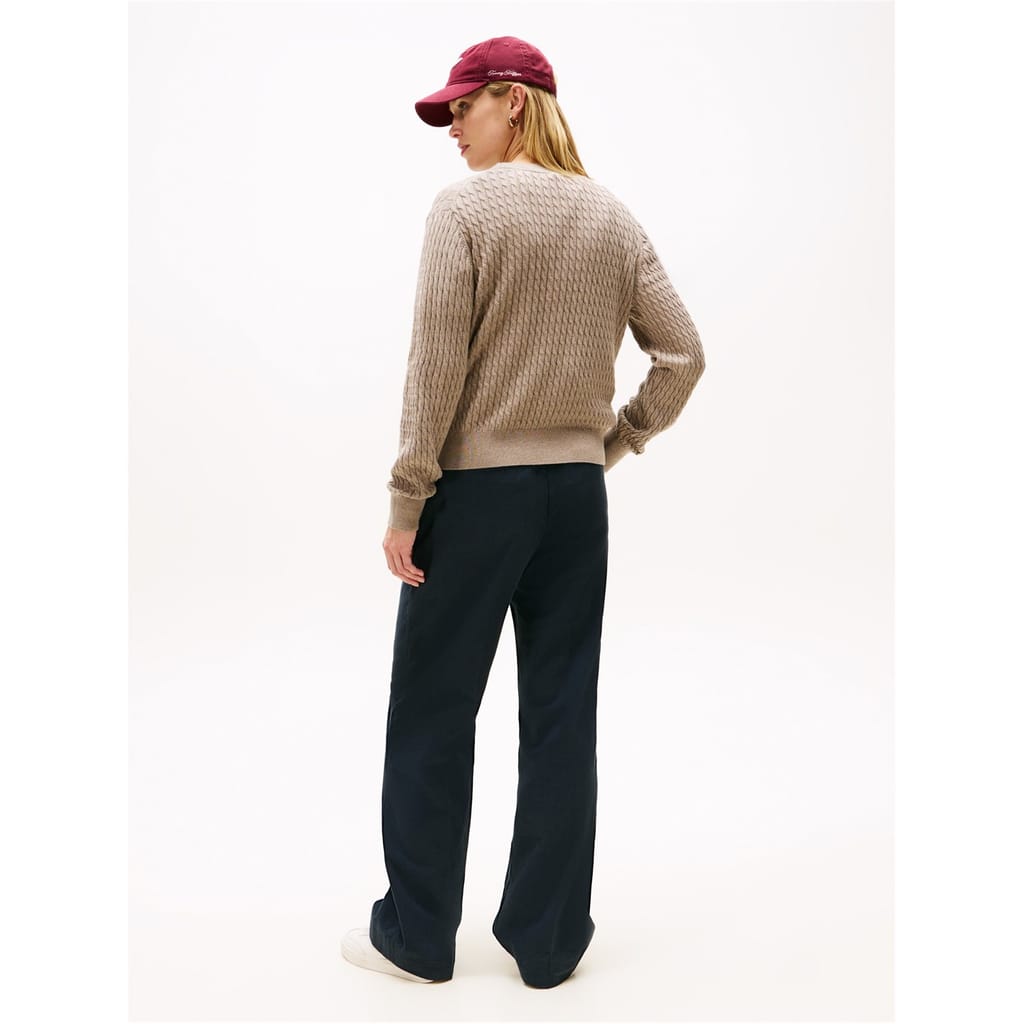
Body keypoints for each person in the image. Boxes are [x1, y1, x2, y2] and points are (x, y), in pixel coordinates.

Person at [341, 35, 706, 989]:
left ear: (513, 99)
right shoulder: (612, 217)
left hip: (475, 497)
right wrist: (608, 445)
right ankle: (547, 945)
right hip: (575, 503)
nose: (452, 127)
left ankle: (416, 937)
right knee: (560, 713)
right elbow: (684, 354)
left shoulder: (465, 211)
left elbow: (435, 365)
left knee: (432, 708)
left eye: (463, 107)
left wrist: (407, 498)